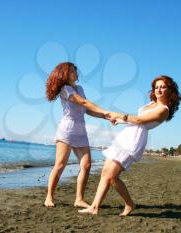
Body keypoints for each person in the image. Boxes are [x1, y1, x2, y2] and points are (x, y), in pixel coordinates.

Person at [78, 75, 181, 216]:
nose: (159, 90)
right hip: (126, 134)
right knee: (105, 172)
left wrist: (120, 115)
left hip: (135, 140)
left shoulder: (164, 110)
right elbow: (137, 120)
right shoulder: (152, 103)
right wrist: (120, 121)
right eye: (156, 87)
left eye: (163, 87)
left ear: (170, 90)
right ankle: (94, 207)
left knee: (112, 176)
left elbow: (139, 120)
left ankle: (129, 204)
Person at [44, 62, 110, 208]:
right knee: (60, 165)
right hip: (67, 130)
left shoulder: (80, 88)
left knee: (86, 165)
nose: (76, 73)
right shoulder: (65, 89)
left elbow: (87, 109)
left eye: (75, 70)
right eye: (72, 71)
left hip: (81, 131)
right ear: (64, 74)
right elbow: (83, 102)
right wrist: (105, 111)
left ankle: (79, 199)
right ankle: (49, 196)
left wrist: (105, 117)